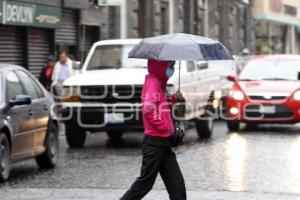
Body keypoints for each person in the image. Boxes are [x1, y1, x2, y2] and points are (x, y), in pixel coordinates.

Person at [120, 60, 187, 200]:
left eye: (174, 66)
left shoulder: (159, 83)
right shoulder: (153, 83)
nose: (172, 70)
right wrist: (165, 127)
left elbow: (159, 102)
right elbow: (148, 109)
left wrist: (173, 98)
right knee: (145, 184)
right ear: (160, 66)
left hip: (164, 144)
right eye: (170, 66)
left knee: (178, 189)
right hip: (155, 144)